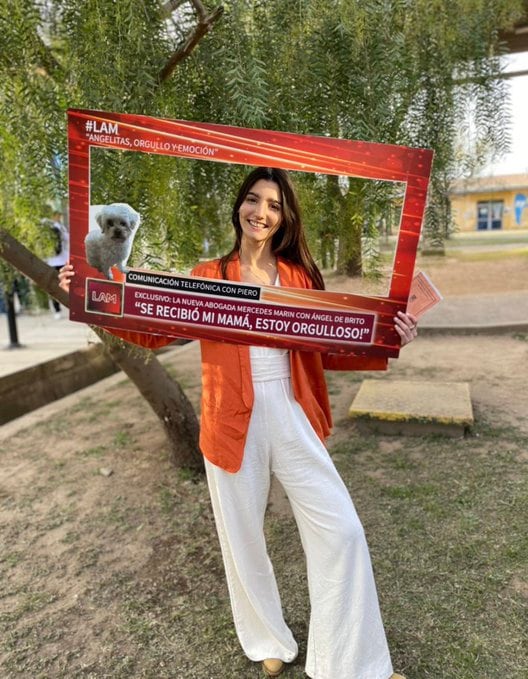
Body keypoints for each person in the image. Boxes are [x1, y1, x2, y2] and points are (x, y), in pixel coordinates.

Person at [59, 167, 417, 679]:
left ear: (284, 215)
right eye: (254, 200)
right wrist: (88, 294)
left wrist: (390, 337)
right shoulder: (209, 275)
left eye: (273, 204)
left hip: (291, 410)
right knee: (242, 537)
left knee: (342, 531)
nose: (262, 212)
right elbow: (155, 331)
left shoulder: (299, 277)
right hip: (230, 417)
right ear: (239, 207)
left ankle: (350, 664)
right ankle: (267, 638)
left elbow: (330, 346)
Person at [43, 210, 70, 318]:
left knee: (55, 285)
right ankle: (62, 308)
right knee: (63, 284)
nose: (59, 217)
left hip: (55, 261)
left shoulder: (51, 226)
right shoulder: (56, 226)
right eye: (58, 215)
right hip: (60, 260)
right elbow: (68, 239)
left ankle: (57, 309)